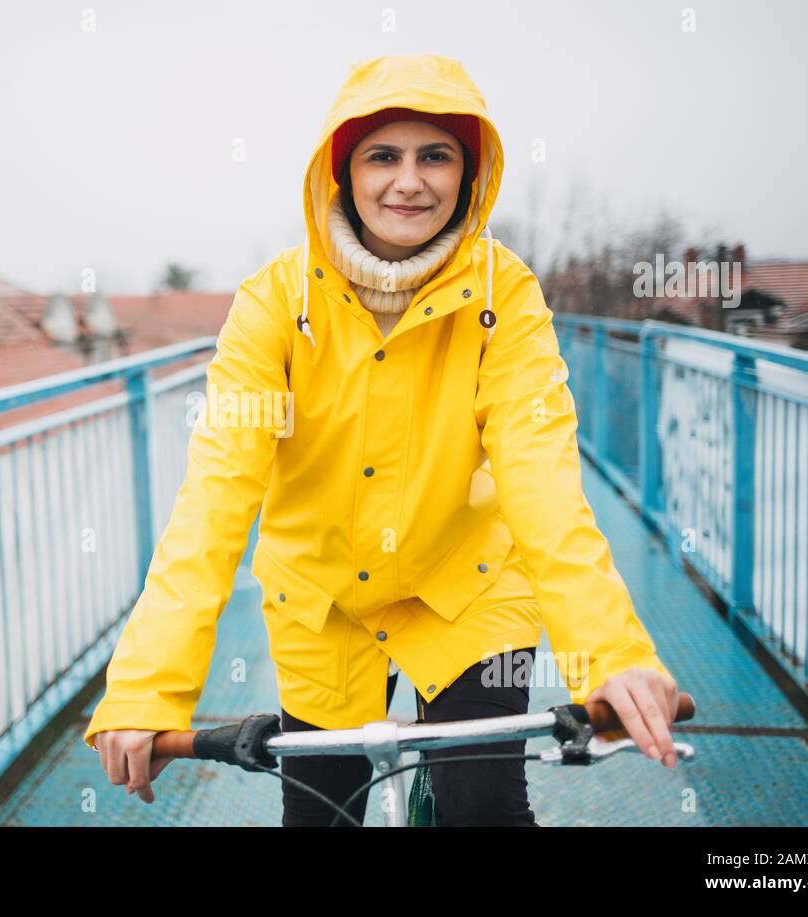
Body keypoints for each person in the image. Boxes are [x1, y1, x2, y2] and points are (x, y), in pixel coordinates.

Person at [85, 53, 680, 826]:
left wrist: (613, 656)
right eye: (382, 155)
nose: (410, 180)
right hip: (323, 602)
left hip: (469, 590)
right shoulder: (274, 305)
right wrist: (146, 688)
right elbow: (216, 497)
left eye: (436, 155)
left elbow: (544, 487)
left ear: (470, 174)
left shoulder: (508, 300)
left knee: (483, 805)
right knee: (321, 813)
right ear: (341, 170)